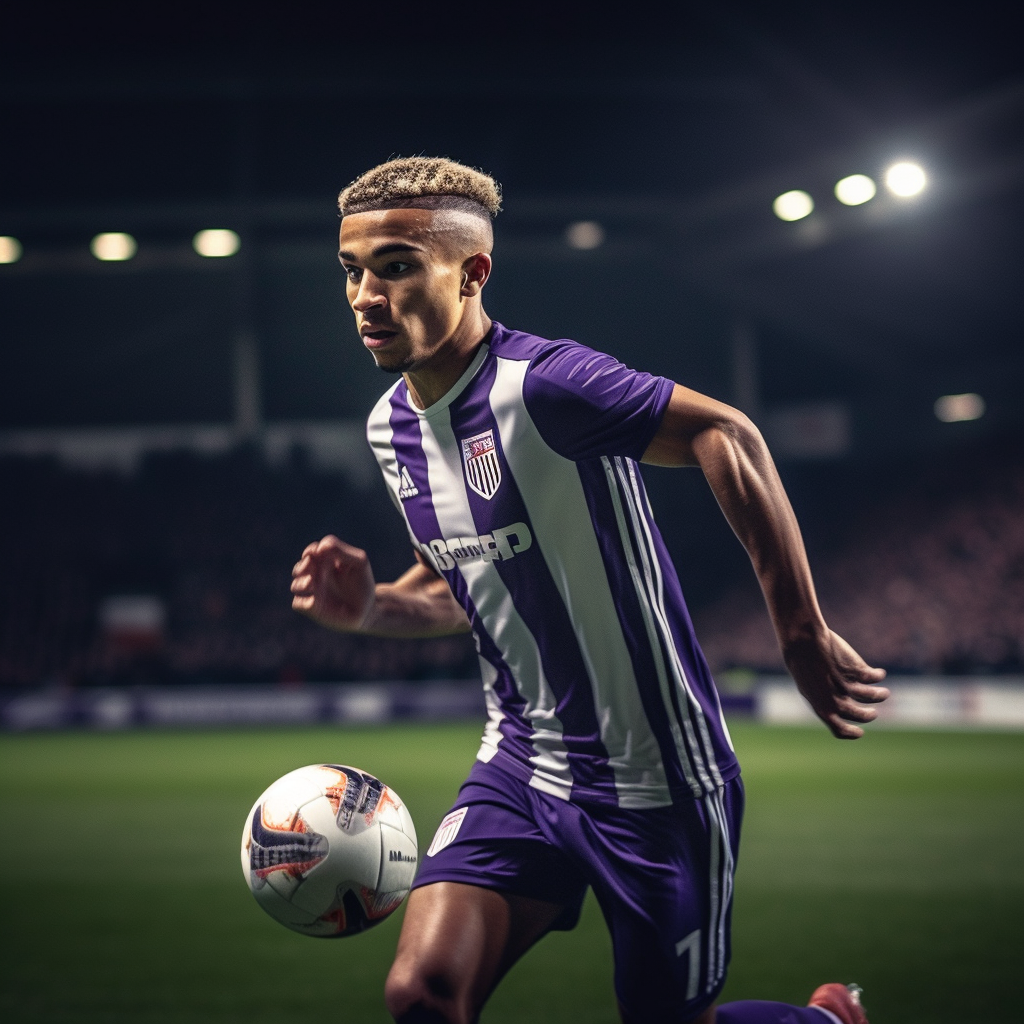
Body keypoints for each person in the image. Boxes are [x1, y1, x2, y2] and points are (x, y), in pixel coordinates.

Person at [290, 157, 889, 1024]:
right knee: (421, 996)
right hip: (520, 767)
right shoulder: (390, 428)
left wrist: (799, 629)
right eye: (352, 271)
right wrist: (373, 607)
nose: (365, 296)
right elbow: (468, 583)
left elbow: (729, 434)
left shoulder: (543, 385)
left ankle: (828, 1019)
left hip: (656, 782)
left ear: (471, 273)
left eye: (396, 267)